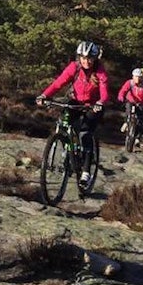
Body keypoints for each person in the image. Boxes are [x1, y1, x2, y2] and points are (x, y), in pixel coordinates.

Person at [35, 41, 109, 185]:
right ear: (79, 57)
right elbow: (58, 83)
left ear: (95, 59)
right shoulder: (74, 68)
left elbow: (104, 91)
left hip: (93, 105)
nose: (86, 61)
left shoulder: (100, 71)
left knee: (85, 133)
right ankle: (66, 150)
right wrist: (44, 95)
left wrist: (100, 103)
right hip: (75, 101)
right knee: (64, 121)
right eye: (83, 57)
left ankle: (86, 172)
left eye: (89, 58)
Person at [117, 67, 143, 139]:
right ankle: (126, 123)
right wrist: (121, 96)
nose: (137, 79)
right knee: (128, 110)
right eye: (135, 76)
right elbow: (123, 90)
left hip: (140, 103)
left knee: (140, 119)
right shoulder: (129, 82)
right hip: (130, 100)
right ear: (133, 76)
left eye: (139, 77)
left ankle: (137, 136)